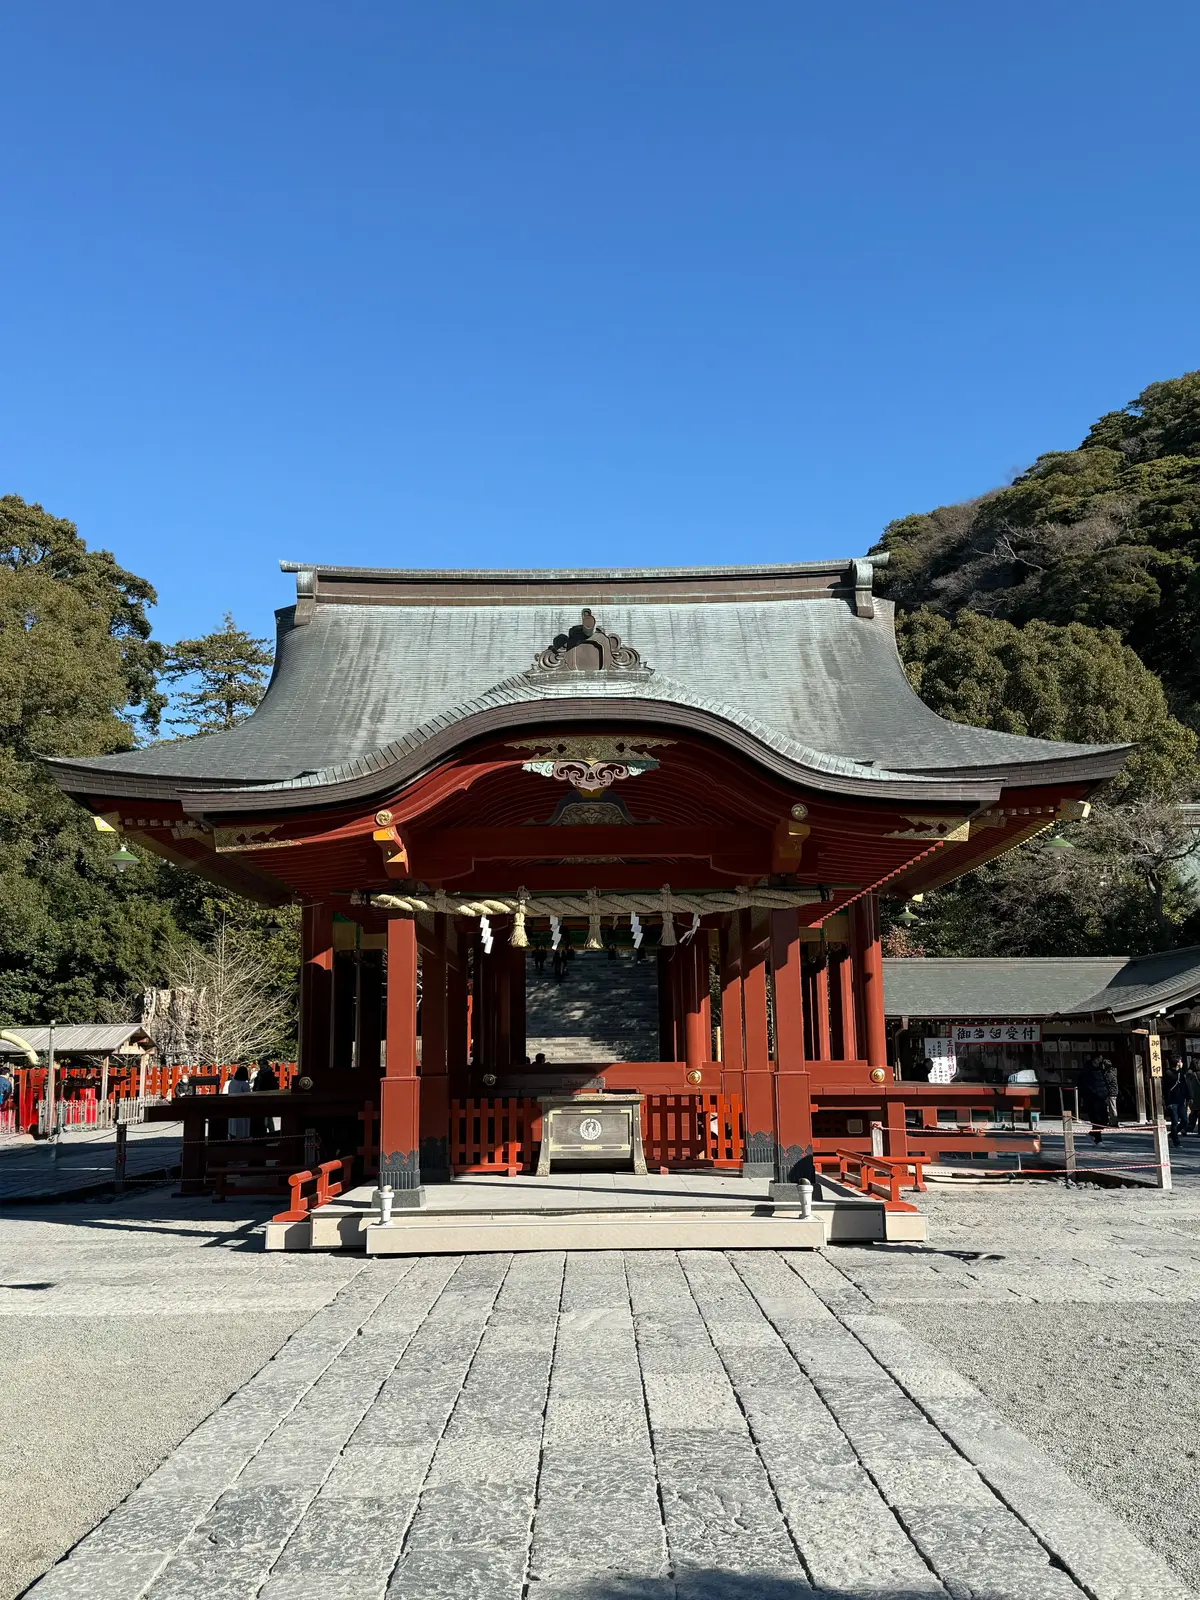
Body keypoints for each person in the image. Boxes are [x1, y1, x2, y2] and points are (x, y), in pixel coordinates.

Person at [1164, 1058, 1189, 1148]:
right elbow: (1167, 1087)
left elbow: (1185, 1084)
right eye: (1179, 1061)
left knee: (1185, 1120)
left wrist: (1189, 1097)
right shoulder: (1168, 1073)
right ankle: (1176, 1141)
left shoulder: (1180, 1072)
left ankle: (1173, 1134)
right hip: (1172, 1101)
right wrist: (1167, 1102)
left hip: (1181, 1100)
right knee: (1174, 1121)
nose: (1181, 1063)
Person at [223, 1063, 251, 1139]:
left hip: (232, 1104)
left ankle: (232, 1135)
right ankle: (242, 1136)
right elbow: (248, 1095)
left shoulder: (232, 1082)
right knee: (242, 1123)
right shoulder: (244, 1084)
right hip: (242, 1105)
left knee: (233, 1122)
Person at [1185, 1058, 1200, 1134]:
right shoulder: (1197, 1074)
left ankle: (1187, 1129)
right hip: (1198, 1096)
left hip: (1192, 1097)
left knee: (1193, 1114)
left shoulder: (1188, 1074)